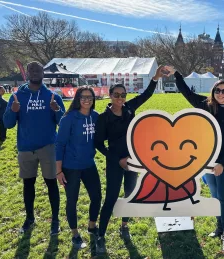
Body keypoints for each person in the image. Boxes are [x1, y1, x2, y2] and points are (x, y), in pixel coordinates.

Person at [167, 65, 224, 250]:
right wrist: (176, 73)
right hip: (207, 162)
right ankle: (219, 227)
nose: (221, 94)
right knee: (215, 197)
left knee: (223, 198)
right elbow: (186, 93)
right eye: (218, 90)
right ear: (213, 91)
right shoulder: (205, 105)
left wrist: (222, 163)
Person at [94, 65, 164, 254]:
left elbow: (146, 95)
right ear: (110, 96)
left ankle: (124, 225)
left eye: (123, 95)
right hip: (116, 162)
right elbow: (99, 144)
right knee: (111, 198)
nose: (120, 98)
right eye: (116, 95)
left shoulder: (129, 109)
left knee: (130, 194)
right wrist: (116, 160)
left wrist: (155, 78)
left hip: (133, 161)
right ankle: (100, 235)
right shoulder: (103, 118)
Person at [3, 61, 65, 235]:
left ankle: (55, 220)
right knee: (28, 184)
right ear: (27, 73)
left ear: (43, 73)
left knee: (51, 184)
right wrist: (13, 111)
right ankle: (29, 218)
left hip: (48, 147)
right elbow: (8, 124)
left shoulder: (53, 96)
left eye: (38, 70)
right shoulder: (17, 96)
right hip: (25, 148)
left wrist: (57, 109)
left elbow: (63, 123)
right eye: (31, 70)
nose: (35, 72)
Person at [55, 87, 101, 249]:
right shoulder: (68, 119)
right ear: (77, 99)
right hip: (70, 167)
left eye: (90, 97)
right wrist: (58, 171)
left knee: (96, 196)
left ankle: (91, 226)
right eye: (83, 97)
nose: (87, 100)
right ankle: (75, 233)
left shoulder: (95, 117)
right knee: (72, 201)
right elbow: (59, 145)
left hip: (89, 164)